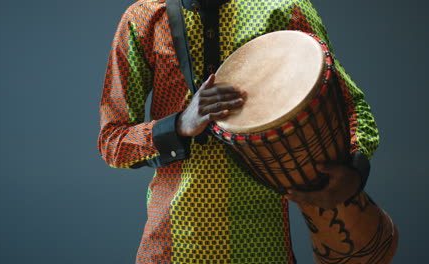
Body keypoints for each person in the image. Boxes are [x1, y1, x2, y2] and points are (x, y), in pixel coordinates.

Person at [98, 0, 379, 263]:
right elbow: (112, 142)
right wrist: (179, 125)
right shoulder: (143, 18)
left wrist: (356, 169)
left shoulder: (283, 8)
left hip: (264, 244)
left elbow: (349, 102)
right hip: (168, 247)